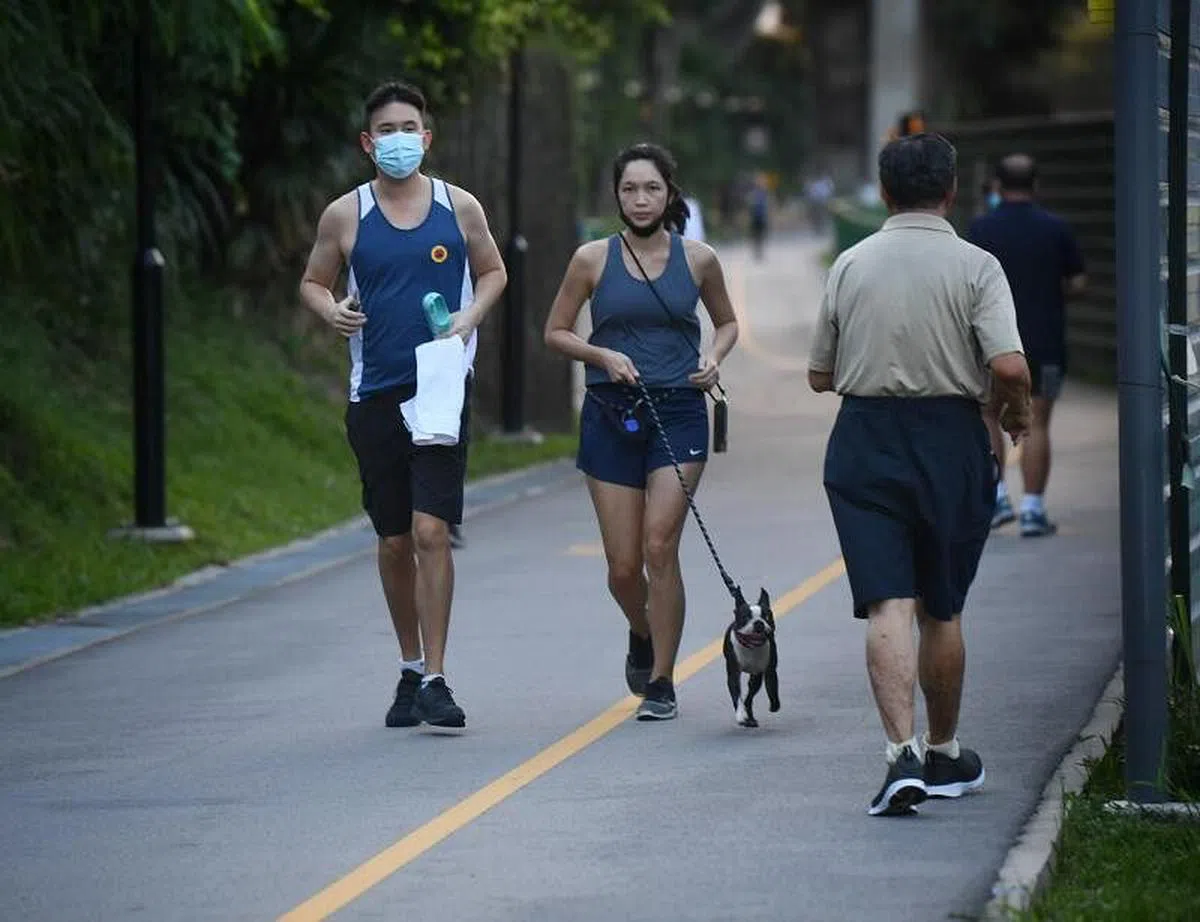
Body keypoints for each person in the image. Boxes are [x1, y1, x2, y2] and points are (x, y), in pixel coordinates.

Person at [807, 133, 1031, 816]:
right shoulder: (977, 266)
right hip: (950, 439)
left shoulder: (849, 263)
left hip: (864, 438)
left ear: (883, 191)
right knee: (943, 604)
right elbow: (1011, 366)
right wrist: (1014, 412)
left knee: (887, 602)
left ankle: (898, 756)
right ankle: (943, 750)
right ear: (952, 190)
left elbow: (820, 374)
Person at [299, 81, 507, 729]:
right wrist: (330, 309)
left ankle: (438, 680)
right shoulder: (345, 214)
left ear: (427, 137)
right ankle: (410, 667)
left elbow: (494, 271)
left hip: (441, 388)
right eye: (385, 130)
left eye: (408, 127)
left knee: (430, 531)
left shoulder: (459, 206)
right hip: (376, 392)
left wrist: (470, 316)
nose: (398, 139)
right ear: (368, 143)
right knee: (393, 541)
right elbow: (313, 281)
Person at [544, 142, 739, 721]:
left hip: (679, 410)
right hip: (611, 412)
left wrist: (713, 357)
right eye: (629, 188)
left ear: (669, 193)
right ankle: (642, 628)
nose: (640, 198)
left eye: (651, 188)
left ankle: (661, 682)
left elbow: (727, 323)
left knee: (660, 544)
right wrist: (601, 355)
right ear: (616, 195)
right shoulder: (590, 261)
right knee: (623, 568)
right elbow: (555, 332)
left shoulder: (698, 259)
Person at [968, 154, 1087, 537]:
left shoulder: (981, 228)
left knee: (987, 416)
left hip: (991, 346)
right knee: (1037, 424)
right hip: (1045, 343)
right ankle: (1034, 509)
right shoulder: (1056, 229)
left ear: (997, 187)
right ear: (1036, 186)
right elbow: (1077, 283)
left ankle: (998, 497)